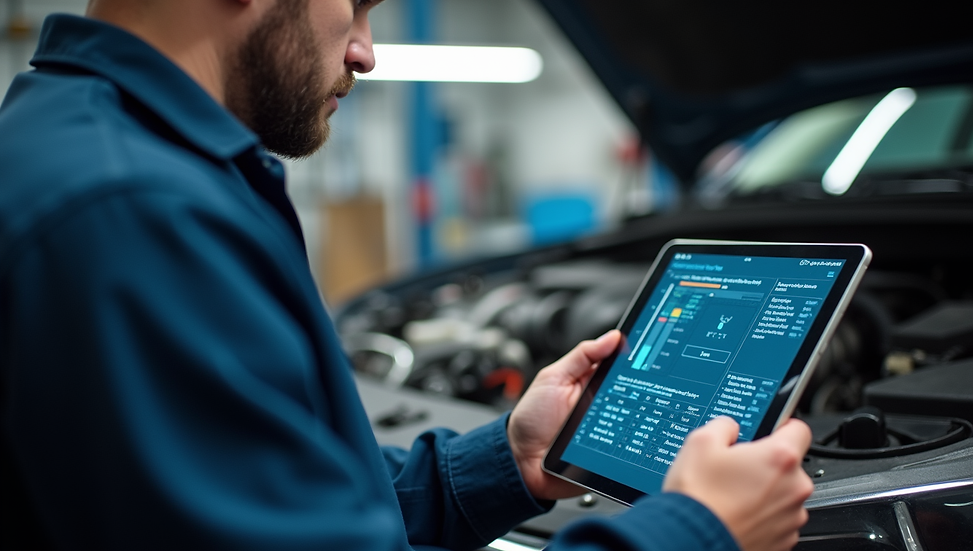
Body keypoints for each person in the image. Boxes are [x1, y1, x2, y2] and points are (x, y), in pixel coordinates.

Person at [0, 1, 813, 550]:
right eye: (352, 1)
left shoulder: (91, 149)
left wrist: (505, 463)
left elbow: (292, 502)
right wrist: (700, 527)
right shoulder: (134, 213)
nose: (365, 48)